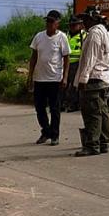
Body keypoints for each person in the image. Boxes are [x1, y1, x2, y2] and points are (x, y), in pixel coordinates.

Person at [74, 7, 109, 157]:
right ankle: (104, 142)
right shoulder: (106, 33)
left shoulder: (94, 34)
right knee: (102, 112)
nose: (83, 22)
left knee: (92, 114)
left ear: (91, 19)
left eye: (85, 19)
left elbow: (90, 59)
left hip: (94, 79)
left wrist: (82, 80)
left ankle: (92, 145)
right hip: (104, 78)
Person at [27, 10, 70, 146]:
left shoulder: (62, 37)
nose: (49, 24)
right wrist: (30, 75)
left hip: (54, 79)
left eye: (52, 22)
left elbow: (66, 58)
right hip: (39, 78)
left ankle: (55, 135)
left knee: (55, 108)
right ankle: (46, 131)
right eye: (47, 21)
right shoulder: (39, 37)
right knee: (39, 107)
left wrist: (65, 77)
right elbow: (34, 57)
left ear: (57, 23)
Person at [64, 15, 86, 112]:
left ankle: (74, 104)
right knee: (63, 84)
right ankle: (62, 104)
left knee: (74, 85)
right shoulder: (65, 35)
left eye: (74, 25)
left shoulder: (84, 35)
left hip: (77, 63)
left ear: (79, 25)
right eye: (71, 25)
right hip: (65, 63)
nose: (72, 27)